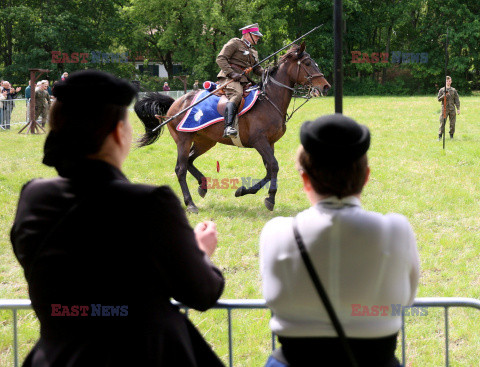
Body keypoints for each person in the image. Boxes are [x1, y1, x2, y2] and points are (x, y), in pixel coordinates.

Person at [10, 70, 225, 367]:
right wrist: (201, 250)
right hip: (144, 355)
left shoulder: (33, 197)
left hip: (57, 357)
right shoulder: (151, 203)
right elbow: (202, 293)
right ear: (117, 132)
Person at [260, 114, 419, 367]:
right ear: (366, 176)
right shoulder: (396, 229)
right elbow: (407, 299)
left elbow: (272, 297)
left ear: (305, 179)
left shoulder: (277, 231)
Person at [216, 23, 264, 138]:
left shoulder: (253, 52)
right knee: (237, 94)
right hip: (229, 77)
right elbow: (220, 58)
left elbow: (257, 69)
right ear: (247, 35)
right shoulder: (235, 43)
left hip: (244, 80)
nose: (258, 38)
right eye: (255, 35)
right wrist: (231, 73)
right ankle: (228, 127)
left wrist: (269, 72)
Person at [437, 76, 460, 140]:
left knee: (452, 123)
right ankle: (440, 136)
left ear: (451, 81)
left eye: (449, 81)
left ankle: (451, 136)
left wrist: (458, 108)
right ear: (445, 81)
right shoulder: (442, 90)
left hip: (452, 109)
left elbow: (457, 100)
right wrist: (444, 95)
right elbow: (438, 99)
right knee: (442, 122)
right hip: (444, 109)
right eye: (447, 81)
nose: (448, 82)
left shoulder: (454, 90)